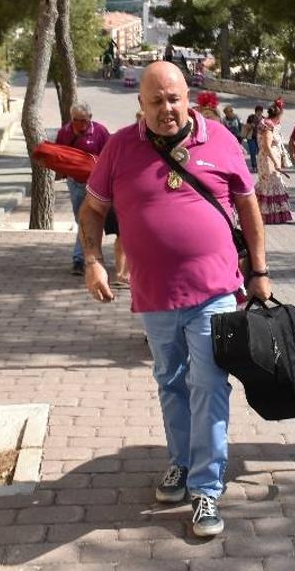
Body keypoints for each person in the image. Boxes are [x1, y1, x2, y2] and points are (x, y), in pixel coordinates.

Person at [78, 61, 272, 538]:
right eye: (156, 101)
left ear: (188, 97)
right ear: (140, 105)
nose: (166, 109)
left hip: (215, 292)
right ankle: (181, 464)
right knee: (170, 381)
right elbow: (93, 209)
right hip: (154, 296)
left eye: (174, 98)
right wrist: (92, 259)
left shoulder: (223, 141)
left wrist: (260, 271)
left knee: (209, 384)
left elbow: (249, 207)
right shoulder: (120, 147)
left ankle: (207, 489)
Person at [54, 102, 111, 275]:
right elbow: (59, 153)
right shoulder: (65, 132)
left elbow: (109, 156)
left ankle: (80, 259)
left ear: (90, 118)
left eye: (82, 120)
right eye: (75, 120)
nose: (79, 124)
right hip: (75, 183)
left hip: (96, 185)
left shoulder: (100, 132)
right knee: (82, 220)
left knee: (89, 220)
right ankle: (90, 257)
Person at [255, 104, 292, 224]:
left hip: (269, 157)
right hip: (268, 159)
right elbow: (267, 145)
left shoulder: (270, 124)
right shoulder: (268, 126)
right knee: (270, 183)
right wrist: (276, 161)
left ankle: (273, 214)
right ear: (278, 115)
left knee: (271, 183)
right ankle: (268, 215)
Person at [242, 105, 265, 169]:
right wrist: (251, 126)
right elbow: (247, 126)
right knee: (252, 152)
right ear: (255, 111)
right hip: (251, 137)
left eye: (260, 111)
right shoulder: (251, 117)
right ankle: (254, 166)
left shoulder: (264, 119)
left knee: (260, 153)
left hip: (260, 138)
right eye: (258, 111)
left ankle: (260, 165)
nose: (259, 113)